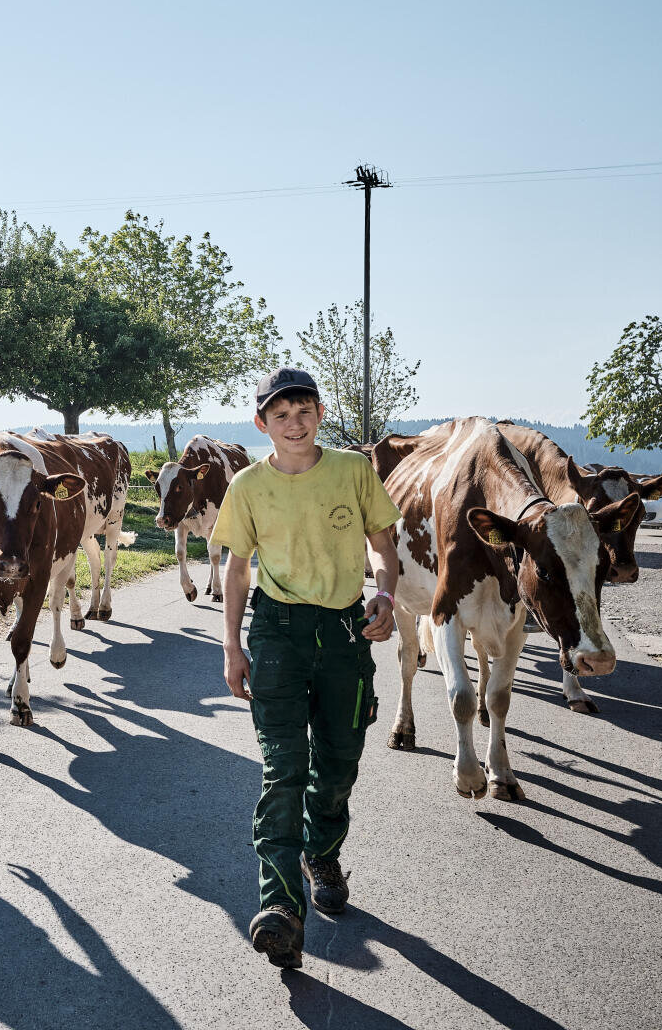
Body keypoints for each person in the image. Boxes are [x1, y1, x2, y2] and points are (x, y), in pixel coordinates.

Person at [210, 367, 401, 969]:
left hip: (345, 630)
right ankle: (282, 910)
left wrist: (387, 596)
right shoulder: (247, 486)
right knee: (284, 767)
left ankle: (322, 853)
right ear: (263, 423)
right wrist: (232, 647)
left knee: (340, 760)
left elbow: (382, 546)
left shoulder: (352, 470)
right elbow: (239, 571)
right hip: (277, 633)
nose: (294, 423)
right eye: (281, 414)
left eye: (304, 411)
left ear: (319, 414)